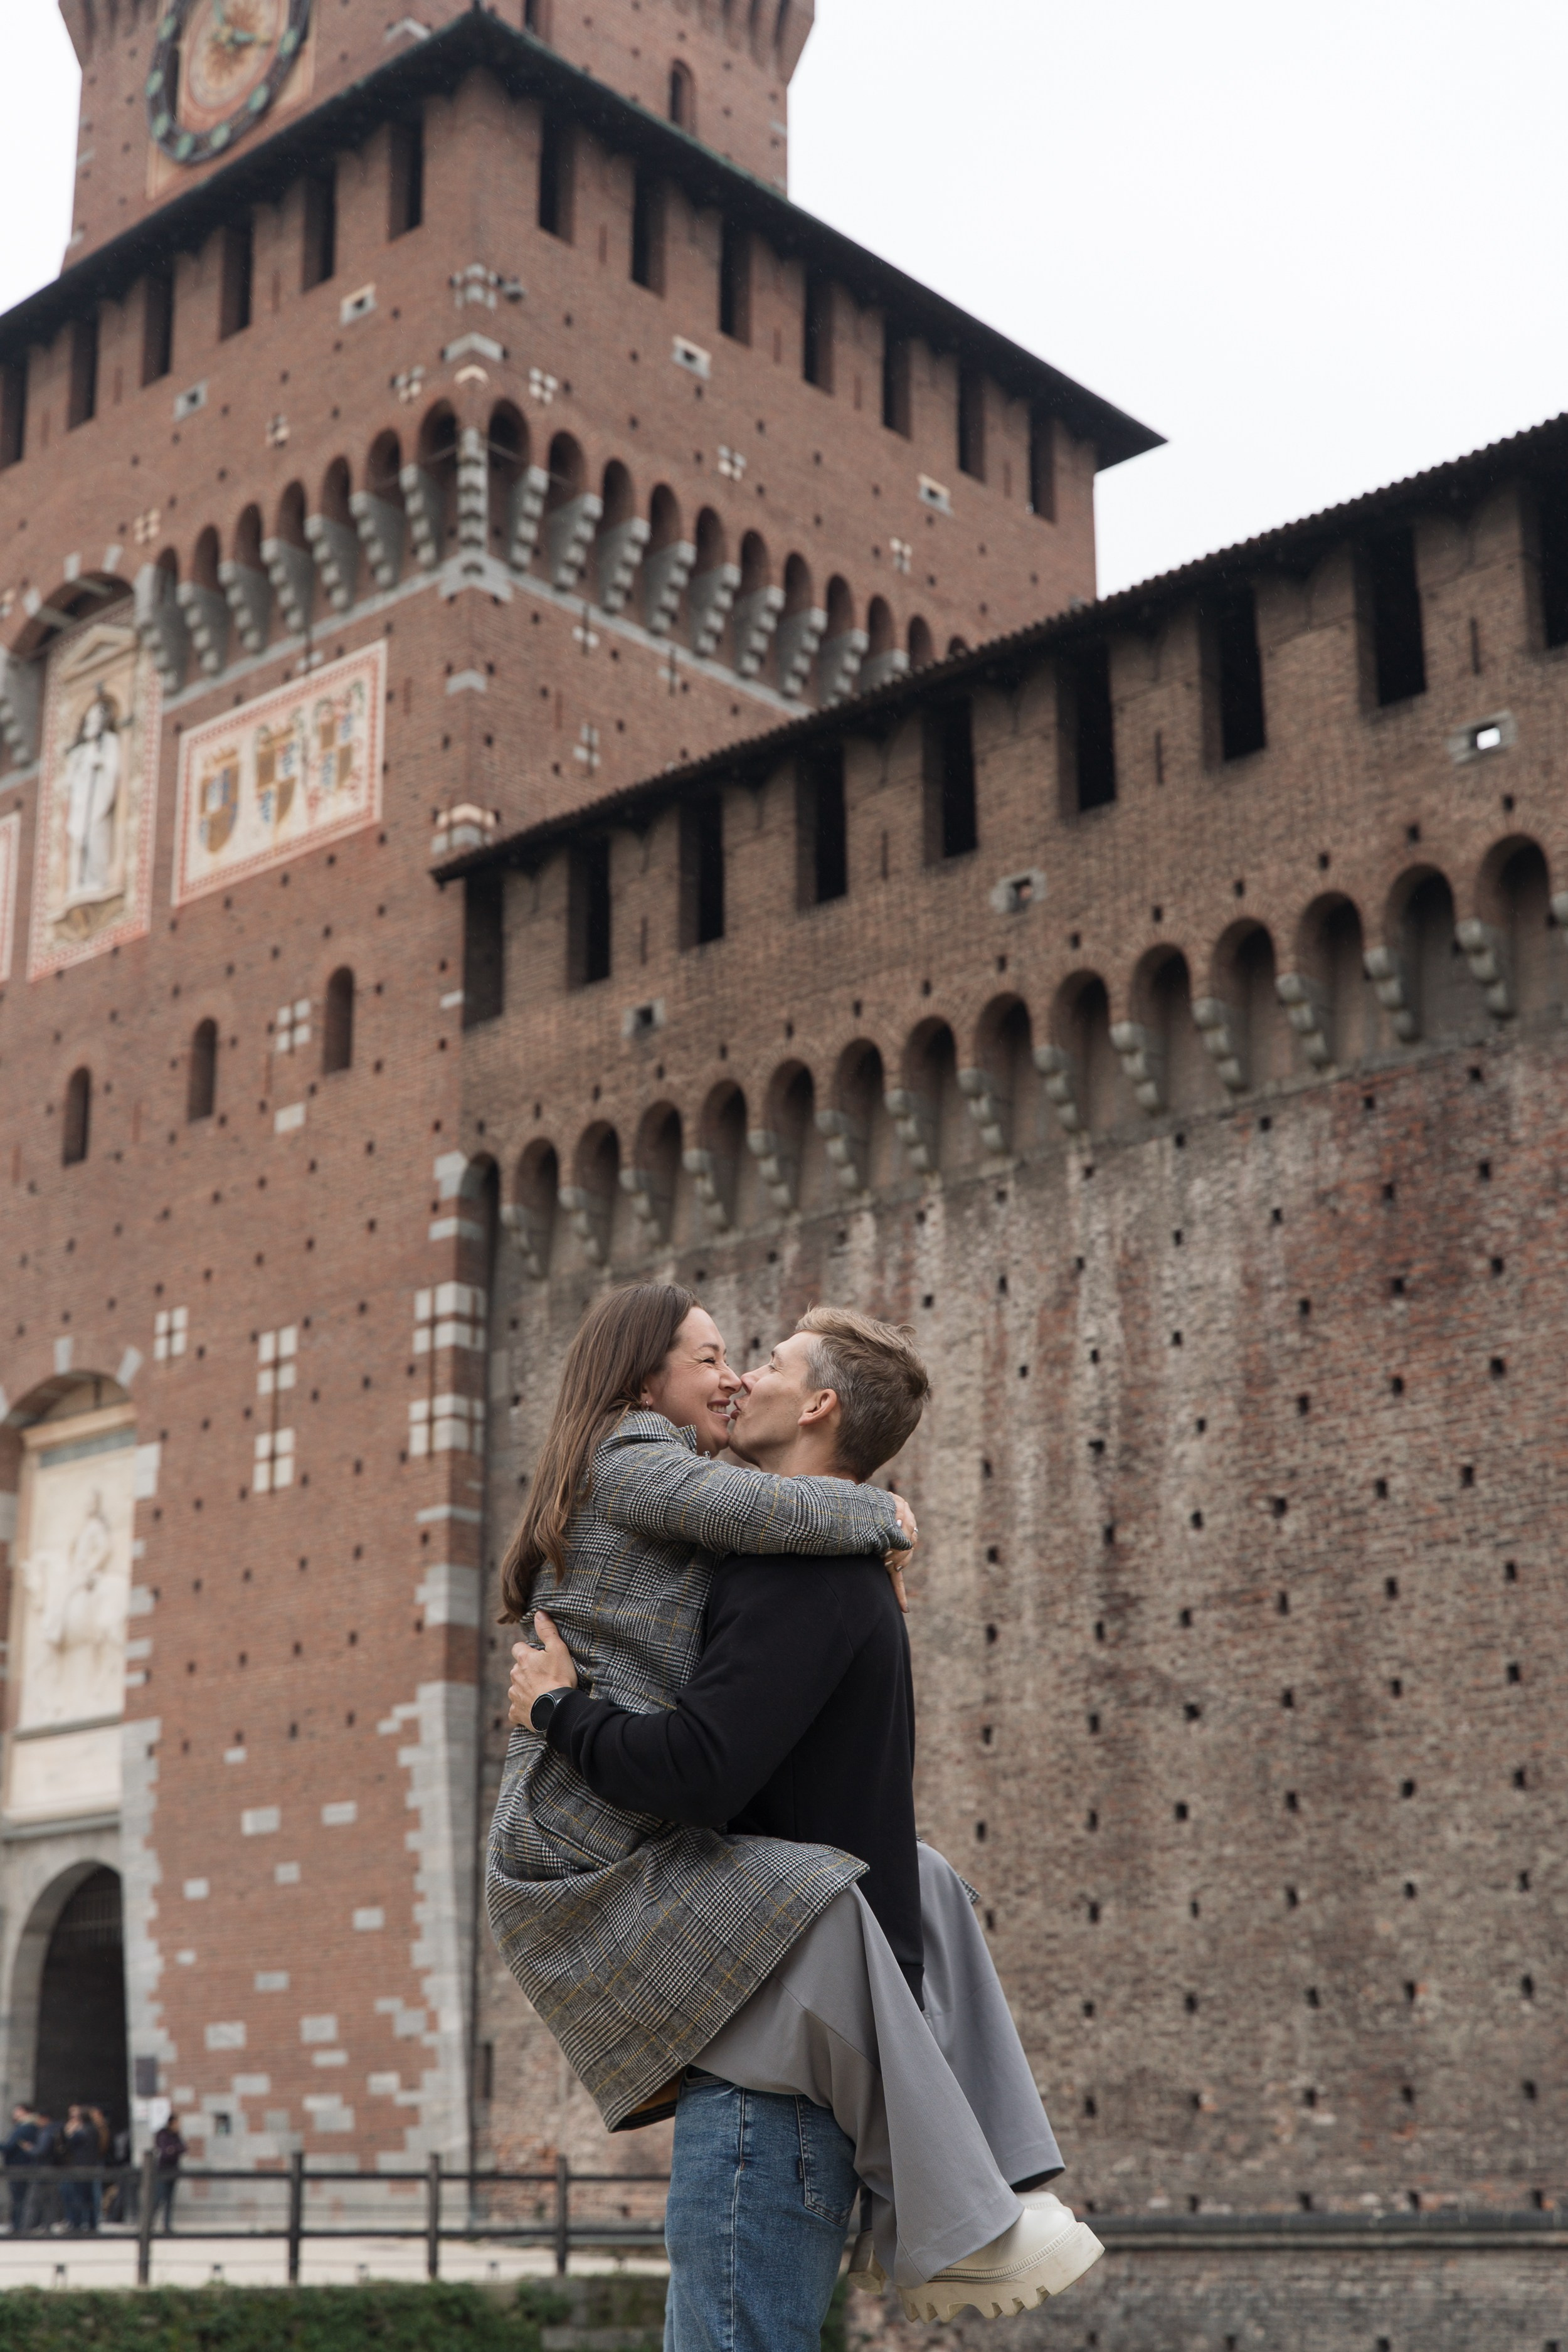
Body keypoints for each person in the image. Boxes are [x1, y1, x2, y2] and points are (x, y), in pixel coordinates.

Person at [509, 1309, 1100, 2339]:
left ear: (819, 1404)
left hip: (761, 2083)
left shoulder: (798, 1566)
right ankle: (984, 2194)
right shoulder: (831, 1571)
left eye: (766, 1364)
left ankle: (965, 2206)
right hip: (787, 2074)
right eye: (719, 1361)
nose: (739, 1379)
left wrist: (557, 1711)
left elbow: (700, 1770)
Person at [487, 1284, 916, 2138]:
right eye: (712, 1358)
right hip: (567, 1812)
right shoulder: (632, 1456)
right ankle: (930, 2157)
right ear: (645, 1384)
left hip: (592, 1795)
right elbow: (754, 1508)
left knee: (882, 1889)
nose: (733, 1378)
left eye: (745, 1360)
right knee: (833, 1890)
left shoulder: (674, 1491)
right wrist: (883, 1515)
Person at [3, 2106, 41, 2235]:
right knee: (21, 2198)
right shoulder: (30, 2127)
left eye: (18, 2111)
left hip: (18, 2167)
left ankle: (18, 2225)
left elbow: (10, 2146)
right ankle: (19, 2224)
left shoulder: (25, 2128)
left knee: (18, 2198)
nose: (15, 2114)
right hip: (22, 2166)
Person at [61, 2104, 99, 2232]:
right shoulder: (94, 2129)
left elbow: (69, 2143)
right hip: (91, 2166)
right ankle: (92, 2223)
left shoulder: (83, 2131)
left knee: (77, 2196)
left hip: (80, 2167)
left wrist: (69, 2132)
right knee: (89, 2197)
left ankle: (76, 2223)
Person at [152, 2116, 186, 2233]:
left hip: (173, 2171)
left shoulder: (176, 2135)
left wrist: (173, 2149)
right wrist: (173, 2149)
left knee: (169, 2200)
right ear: (171, 2123)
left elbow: (183, 2148)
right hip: (162, 2171)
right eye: (177, 2123)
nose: (178, 2126)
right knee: (158, 2198)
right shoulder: (163, 2135)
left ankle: (167, 2225)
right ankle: (150, 2224)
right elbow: (165, 2151)